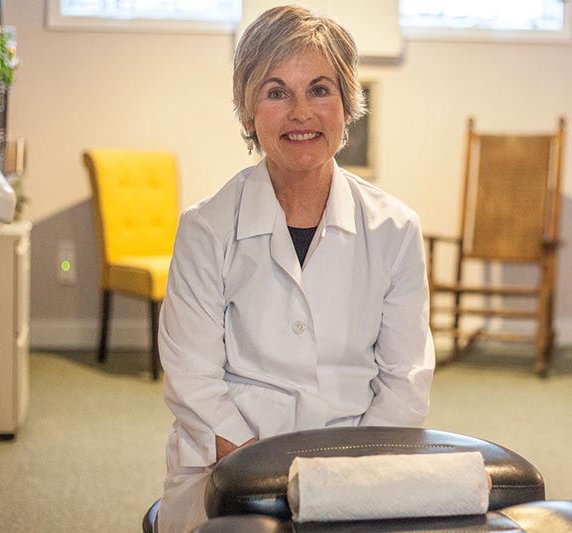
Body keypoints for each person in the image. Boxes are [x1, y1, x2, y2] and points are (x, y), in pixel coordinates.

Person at [158, 5, 435, 531]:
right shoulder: (206, 228)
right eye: (276, 91)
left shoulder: (395, 230)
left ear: (349, 103)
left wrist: (344, 484)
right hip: (227, 467)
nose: (300, 112)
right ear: (248, 112)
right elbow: (192, 377)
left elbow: (405, 382)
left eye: (320, 89)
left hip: (358, 464)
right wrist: (259, 477)